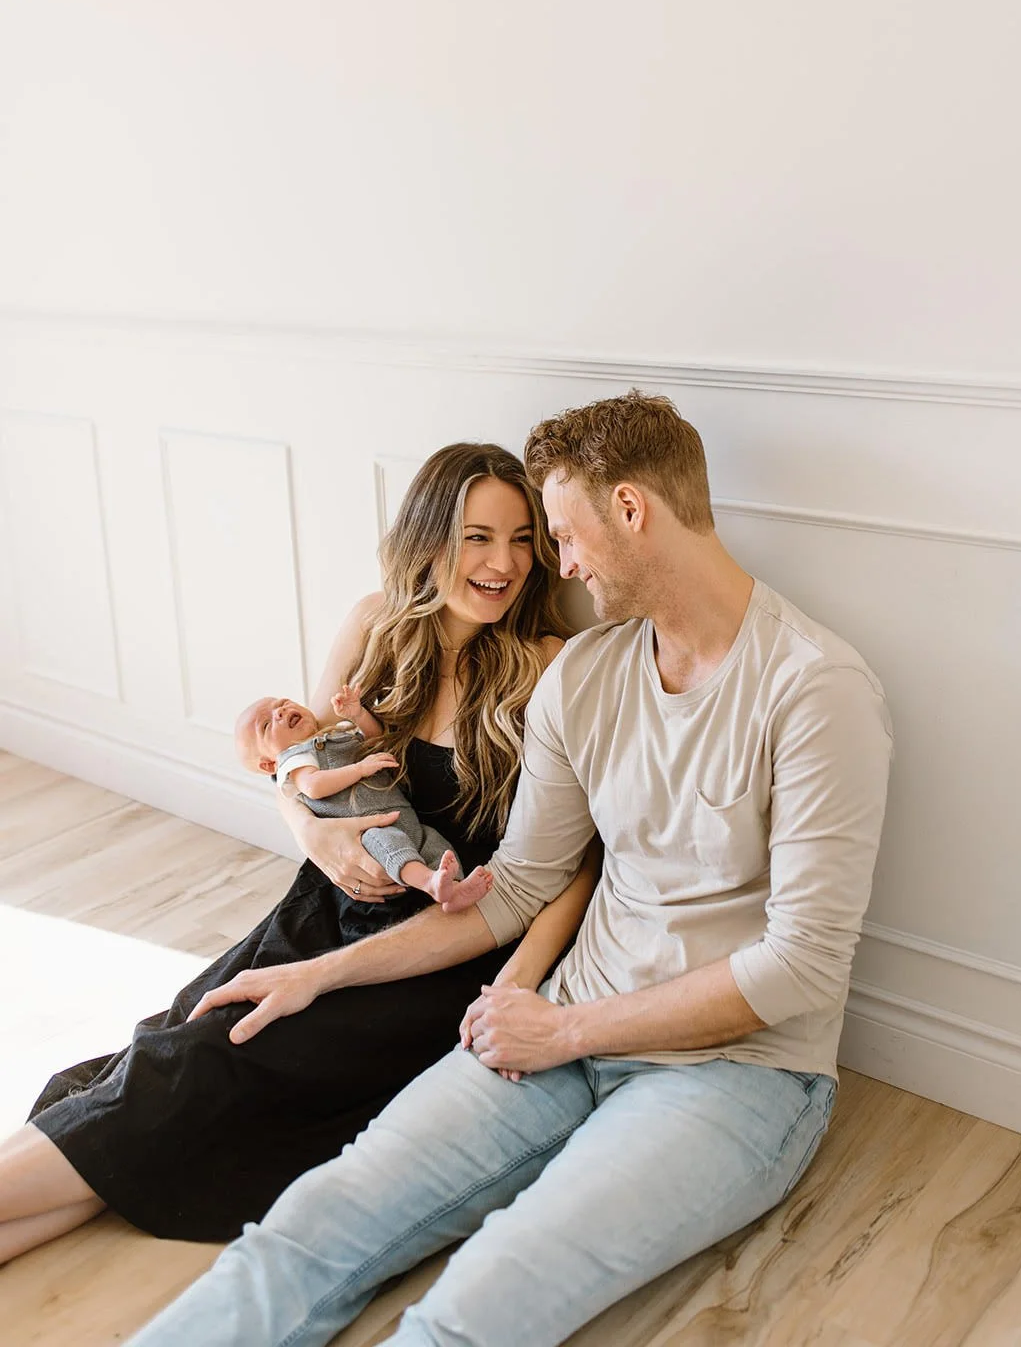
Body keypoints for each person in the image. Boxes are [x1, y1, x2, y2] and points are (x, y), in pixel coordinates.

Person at [127, 390, 895, 1347]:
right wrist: (316, 973)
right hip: (555, 1025)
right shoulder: (586, 675)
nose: (557, 568)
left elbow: (802, 968)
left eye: (561, 535)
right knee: (306, 1229)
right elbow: (522, 886)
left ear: (629, 511)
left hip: (733, 1075)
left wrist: (566, 1028)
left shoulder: (815, 691)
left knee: (477, 1304)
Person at [0, 442, 593, 1264]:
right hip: (325, 907)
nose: (503, 563)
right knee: (166, 1044)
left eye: (523, 538)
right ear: (428, 537)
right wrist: (311, 834)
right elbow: (300, 770)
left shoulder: (552, 667)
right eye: (476, 536)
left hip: (437, 955)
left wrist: (516, 986)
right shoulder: (373, 623)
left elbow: (575, 865)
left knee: (208, 1064)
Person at [235, 686, 495, 911]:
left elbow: (377, 741)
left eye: (281, 703)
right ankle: (429, 882)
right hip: (370, 829)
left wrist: (358, 715)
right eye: (267, 725)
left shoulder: (337, 733)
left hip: (405, 818)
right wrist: (359, 769)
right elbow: (314, 787)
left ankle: (456, 890)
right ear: (270, 764)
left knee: (436, 846)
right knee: (390, 846)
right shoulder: (295, 759)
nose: (279, 711)